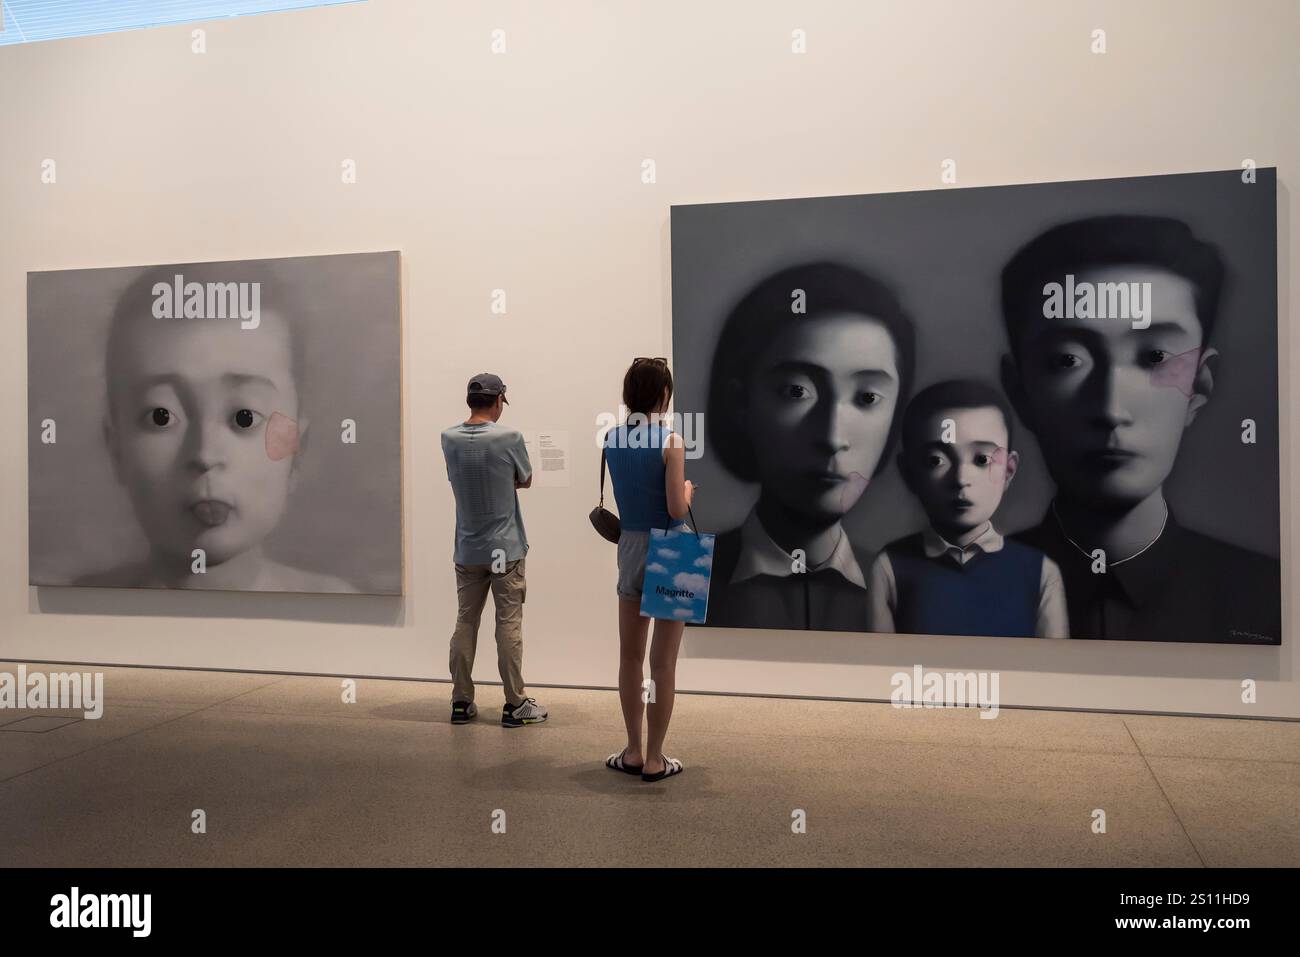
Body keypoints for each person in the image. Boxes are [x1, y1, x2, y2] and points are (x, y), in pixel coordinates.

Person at [1000, 215, 1281, 644]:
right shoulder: (948, 596)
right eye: (1066, 360)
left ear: (1199, 384)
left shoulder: (1272, 601)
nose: (1111, 409)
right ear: (1020, 391)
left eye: (1154, 356)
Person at [78, 262, 358, 593]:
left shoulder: (333, 602)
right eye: (161, 417)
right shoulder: (71, 613)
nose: (205, 454)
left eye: (244, 418)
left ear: (296, 450)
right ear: (116, 449)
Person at [703, 261, 915, 631]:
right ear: (741, 402)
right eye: (796, 391)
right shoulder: (689, 571)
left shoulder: (908, 588)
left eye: (867, 397)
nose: (833, 437)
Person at [868, 380, 1068, 638]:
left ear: (1008, 470)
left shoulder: (1041, 572)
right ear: (909, 473)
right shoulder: (888, 568)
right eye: (936, 460)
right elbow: (879, 670)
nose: (961, 479)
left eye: (982, 459)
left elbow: (1050, 674)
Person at [602, 358, 693, 782]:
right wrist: (688, 491)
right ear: (663, 395)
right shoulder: (671, 441)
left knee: (630, 656)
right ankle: (656, 759)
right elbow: (677, 508)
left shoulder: (611, 439)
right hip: (672, 549)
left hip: (631, 546)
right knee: (663, 664)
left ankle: (633, 750)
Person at [440, 373, 548, 726]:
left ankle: (460, 701)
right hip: (505, 547)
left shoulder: (449, 438)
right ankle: (515, 704)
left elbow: (453, 477)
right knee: (508, 624)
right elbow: (526, 478)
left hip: (468, 548)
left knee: (465, 621)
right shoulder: (510, 437)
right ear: (499, 400)